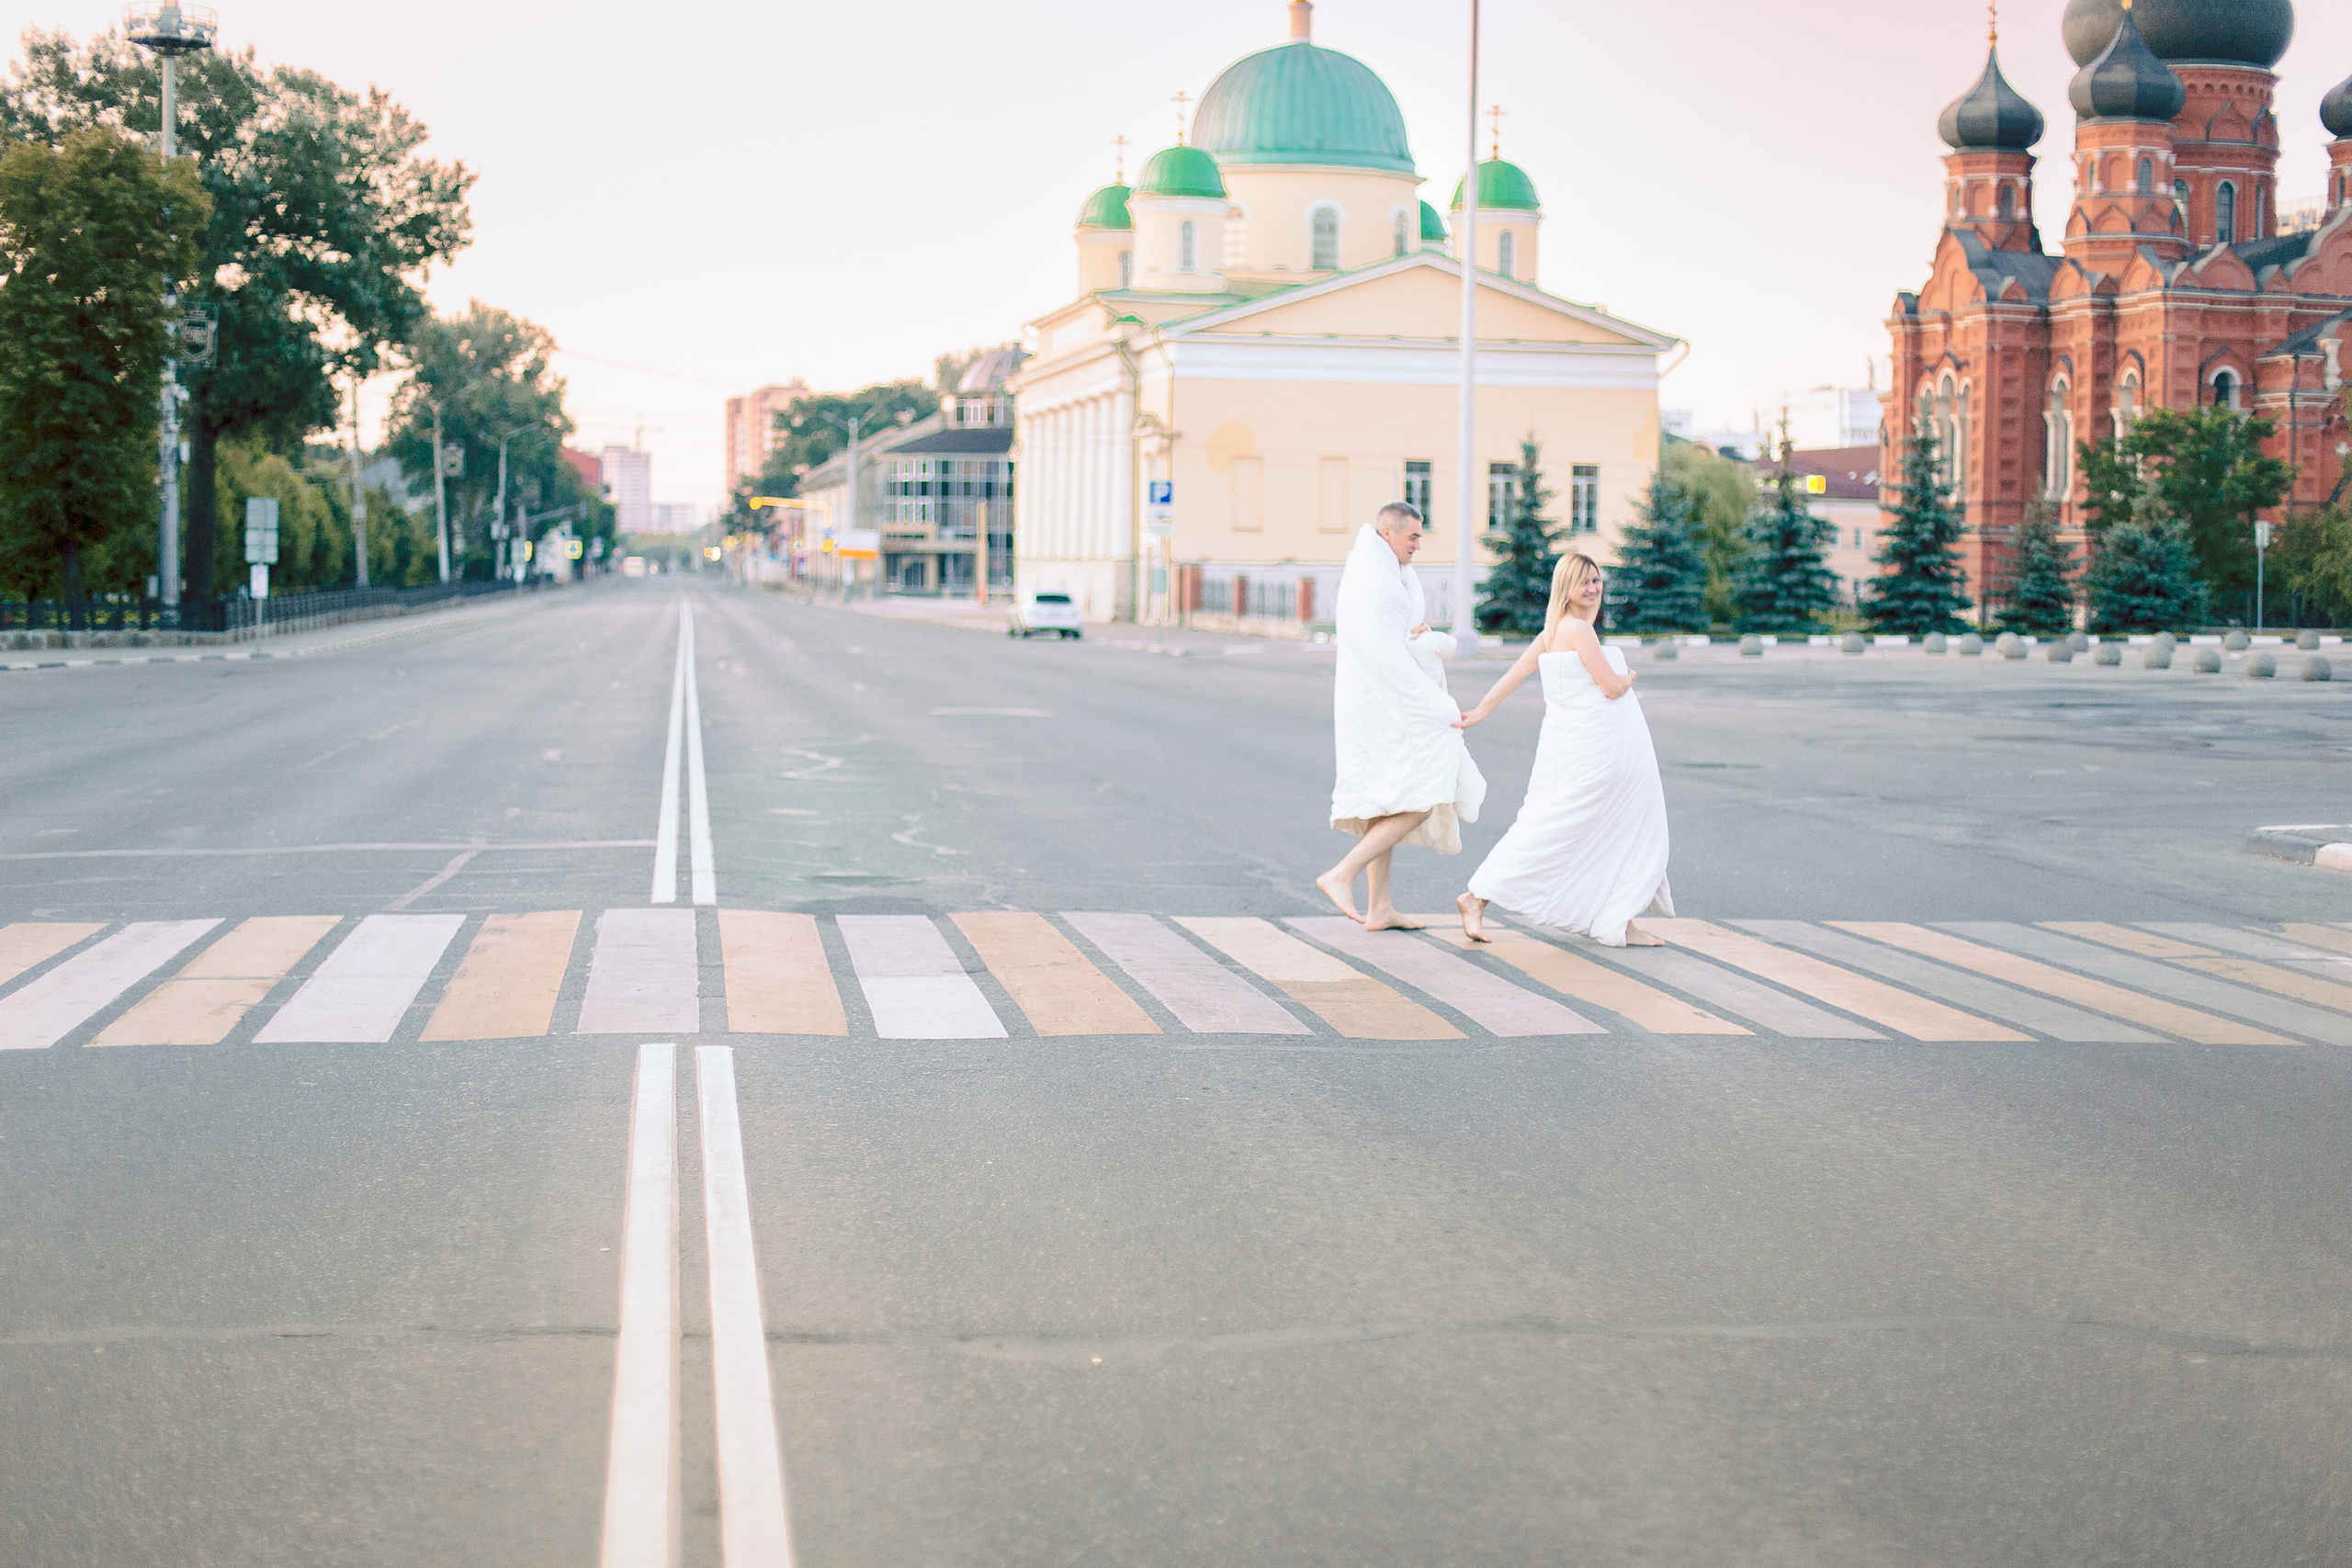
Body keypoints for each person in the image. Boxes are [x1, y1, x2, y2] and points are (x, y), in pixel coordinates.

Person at [1453, 551, 1672, 947]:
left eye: (1597, 581)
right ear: (1566, 588)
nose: (1593, 588)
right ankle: (1477, 895)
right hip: (1597, 750)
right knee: (1588, 826)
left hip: (1570, 746)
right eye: (1584, 581)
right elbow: (1610, 687)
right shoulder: (1579, 631)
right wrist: (1629, 676)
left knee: (1591, 826)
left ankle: (1620, 919)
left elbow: (1516, 673)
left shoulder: (1553, 631)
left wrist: (1482, 709)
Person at [1317, 502, 1487, 931]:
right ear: (1386, 533)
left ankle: (1379, 907)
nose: (1417, 545)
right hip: (1386, 705)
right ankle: (1341, 874)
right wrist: (1441, 706)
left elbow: (1397, 640)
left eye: (1419, 536)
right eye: (1412, 536)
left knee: (1385, 797)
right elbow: (1389, 657)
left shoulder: (1381, 571)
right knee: (1426, 794)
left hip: (1374, 703)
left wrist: (1428, 637)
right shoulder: (1379, 581)